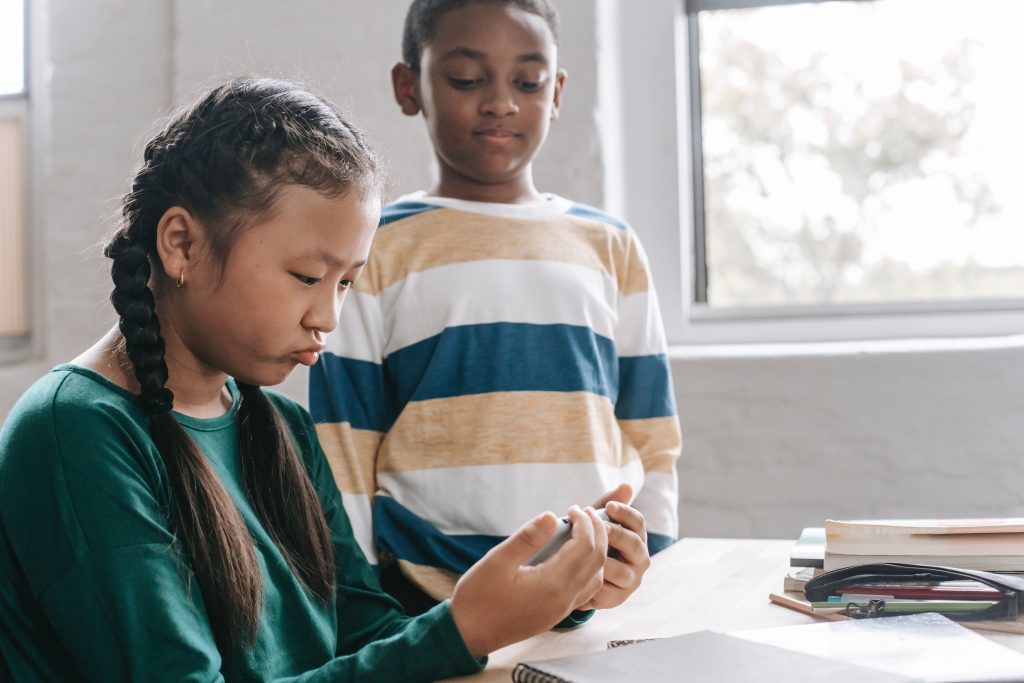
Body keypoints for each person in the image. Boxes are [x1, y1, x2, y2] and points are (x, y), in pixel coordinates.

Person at [0, 77, 618, 682]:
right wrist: (464, 628)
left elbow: (369, 635)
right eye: (305, 277)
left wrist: (554, 588)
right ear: (182, 244)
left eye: (345, 282)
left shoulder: (283, 426)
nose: (327, 317)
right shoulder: (75, 431)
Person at [309, 0, 679, 620]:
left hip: (594, 597)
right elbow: (344, 444)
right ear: (410, 87)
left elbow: (652, 435)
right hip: (428, 607)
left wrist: (655, 571)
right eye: (466, 79)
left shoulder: (610, 246)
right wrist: (362, 604)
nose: (501, 102)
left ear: (556, 92)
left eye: (528, 82)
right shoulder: (376, 247)